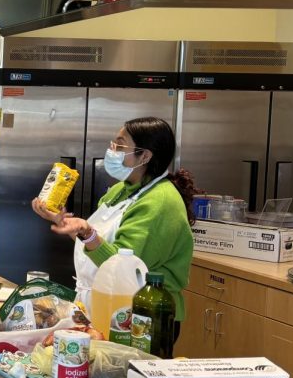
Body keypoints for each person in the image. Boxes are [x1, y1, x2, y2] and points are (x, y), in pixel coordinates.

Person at [31, 116, 196, 325]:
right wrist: (66, 224)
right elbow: (97, 248)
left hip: (142, 317)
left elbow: (122, 267)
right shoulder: (121, 189)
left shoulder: (159, 201)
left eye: (120, 145)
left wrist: (87, 232)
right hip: (103, 305)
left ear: (144, 155)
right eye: (113, 143)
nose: (112, 150)